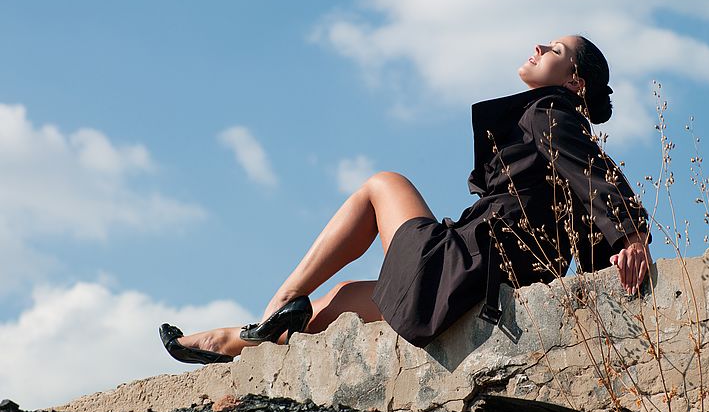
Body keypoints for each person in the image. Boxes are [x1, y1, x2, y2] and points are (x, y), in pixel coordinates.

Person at [160, 34, 651, 364]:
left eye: (557, 48)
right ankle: (244, 346)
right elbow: (582, 202)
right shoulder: (555, 128)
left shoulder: (550, 109)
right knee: (343, 300)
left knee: (383, 184)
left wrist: (631, 234)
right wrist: (611, 255)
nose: (540, 44)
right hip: (484, 276)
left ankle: (275, 304)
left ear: (574, 82)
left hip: (470, 262)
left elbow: (591, 169)